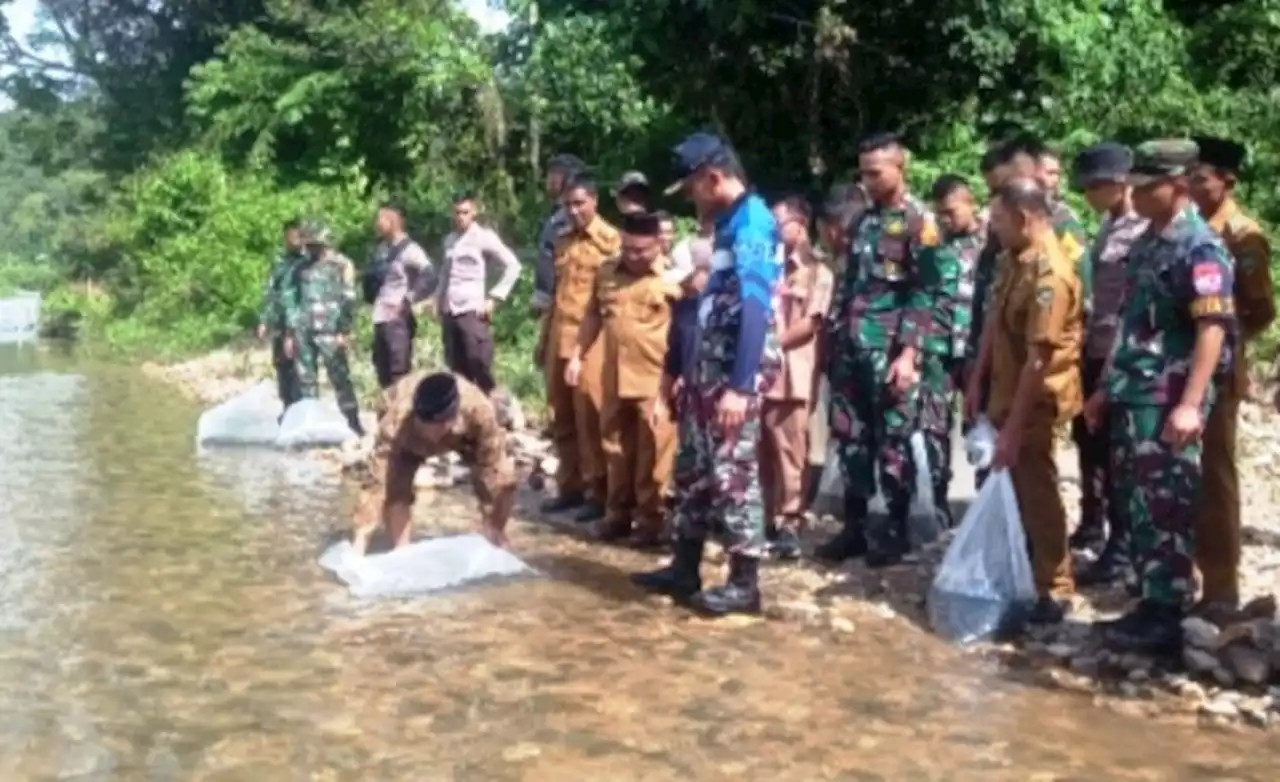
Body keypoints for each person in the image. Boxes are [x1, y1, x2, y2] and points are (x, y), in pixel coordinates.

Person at [1084, 139, 1236, 654]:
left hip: (1169, 395)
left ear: (1177, 185)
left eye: (1145, 188)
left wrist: (1192, 402)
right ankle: (1150, 600)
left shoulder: (1201, 247)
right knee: (1138, 499)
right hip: (1134, 390)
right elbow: (1129, 323)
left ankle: (1167, 610)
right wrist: (1106, 386)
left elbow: (1212, 327)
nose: (1135, 196)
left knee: (1168, 502)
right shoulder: (1147, 243)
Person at [631, 131, 782, 616]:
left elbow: (756, 310)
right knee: (694, 469)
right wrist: (685, 370)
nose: (691, 200)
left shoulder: (754, 223)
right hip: (707, 372)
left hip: (732, 377)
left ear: (713, 177)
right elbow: (712, 305)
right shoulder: (727, 224)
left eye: (693, 189)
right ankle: (684, 566)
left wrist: (740, 387)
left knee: (733, 472)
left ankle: (744, 583)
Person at [817, 132, 954, 567]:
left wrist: (909, 355)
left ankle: (895, 529)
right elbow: (849, 282)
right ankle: (855, 526)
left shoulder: (920, 224)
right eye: (863, 173)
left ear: (900, 168)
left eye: (876, 172)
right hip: (852, 347)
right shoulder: (862, 222)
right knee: (850, 435)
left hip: (891, 350)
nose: (869, 181)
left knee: (893, 438)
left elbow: (928, 293)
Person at [968, 177, 1084, 625]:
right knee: (1010, 490)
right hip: (1002, 391)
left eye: (998, 220)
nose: (992, 229)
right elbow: (995, 325)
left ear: (1023, 217)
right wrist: (976, 380)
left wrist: (1013, 430)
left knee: (1036, 490)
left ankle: (1054, 585)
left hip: (1034, 401)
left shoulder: (1050, 274)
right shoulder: (1013, 260)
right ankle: (1015, 573)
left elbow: (1040, 359)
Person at [1189, 135, 1275, 621]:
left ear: (1227, 181)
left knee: (1215, 479)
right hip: (1185, 371)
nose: (1194, 185)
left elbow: (1261, 309)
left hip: (1220, 375)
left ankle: (1221, 587)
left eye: (1202, 177)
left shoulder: (1243, 237)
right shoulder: (1190, 229)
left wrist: (1223, 336)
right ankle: (1188, 577)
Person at [567, 211, 678, 547]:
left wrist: (677, 379)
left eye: (641, 251)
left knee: (653, 455)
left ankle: (650, 521)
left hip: (654, 381)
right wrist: (576, 356)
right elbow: (591, 318)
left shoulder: (674, 281)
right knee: (615, 448)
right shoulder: (606, 273)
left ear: (658, 245)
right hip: (614, 376)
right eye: (628, 249)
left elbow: (687, 334)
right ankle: (617, 515)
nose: (633, 257)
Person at [1068, 142, 1147, 586]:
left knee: (1121, 457)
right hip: (1094, 352)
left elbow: (1130, 313)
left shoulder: (1138, 232)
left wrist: (1111, 376)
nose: (1086, 197)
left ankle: (1121, 550)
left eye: (1091, 188)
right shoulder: (1108, 224)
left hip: (1119, 360)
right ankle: (1096, 527)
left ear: (1115, 184)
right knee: (1092, 447)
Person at [351, 372, 516, 556]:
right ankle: (401, 550)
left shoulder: (479, 412)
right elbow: (377, 483)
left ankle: (495, 538)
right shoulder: (396, 420)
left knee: (499, 485)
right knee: (395, 489)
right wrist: (361, 540)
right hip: (408, 438)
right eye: (425, 427)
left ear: (452, 419)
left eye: (436, 428)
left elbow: (494, 469)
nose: (431, 435)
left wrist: (495, 523)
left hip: (464, 437)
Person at [538, 174, 619, 522]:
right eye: (567, 204)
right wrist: (544, 340)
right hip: (560, 333)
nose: (573, 210)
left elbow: (609, 301)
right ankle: (569, 486)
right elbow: (557, 296)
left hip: (591, 340)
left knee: (590, 416)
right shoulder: (563, 241)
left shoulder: (610, 241)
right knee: (561, 416)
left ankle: (598, 491)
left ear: (595, 201)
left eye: (579, 203)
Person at [764, 195, 833, 558]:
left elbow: (810, 323)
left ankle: (790, 521)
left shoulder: (818, 271)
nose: (774, 232)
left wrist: (770, 347)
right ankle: (760, 519)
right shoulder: (766, 265)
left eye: (780, 224)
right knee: (759, 451)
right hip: (760, 375)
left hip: (793, 373)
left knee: (791, 452)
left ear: (800, 223)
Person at [925, 174, 986, 527]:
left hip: (977, 352)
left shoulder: (992, 243)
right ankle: (937, 505)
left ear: (970, 202)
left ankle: (983, 505)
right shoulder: (935, 246)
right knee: (934, 427)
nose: (946, 220)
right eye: (940, 214)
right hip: (939, 349)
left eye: (951, 212)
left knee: (979, 426)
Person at [282, 220, 364, 436]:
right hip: (304, 330)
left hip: (331, 330)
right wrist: (290, 332)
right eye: (308, 244)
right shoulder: (299, 266)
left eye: (315, 244)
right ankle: (311, 425)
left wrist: (344, 330)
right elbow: (291, 299)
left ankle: (353, 424)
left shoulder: (341, 264)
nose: (310, 248)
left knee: (340, 379)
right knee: (305, 381)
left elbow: (349, 298)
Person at [435, 192, 522, 394]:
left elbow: (513, 266)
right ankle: (466, 414)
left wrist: (494, 298)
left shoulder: (484, 238)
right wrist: (437, 298)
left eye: (465, 212)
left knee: (479, 363)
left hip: (472, 309)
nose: (460, 217)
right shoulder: (449, 241)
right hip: (451, 309)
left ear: (474, 212)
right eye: (457, 212)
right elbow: (444, 273)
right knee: (456, 367)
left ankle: (499, 409)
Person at [367, 203, 435, 393]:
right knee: (383, 372)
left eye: (381, 219)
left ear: (394, 221)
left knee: (399, 373)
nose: (377, 224)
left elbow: (429, 274)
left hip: (397, 321)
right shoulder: (381, 250)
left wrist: (409, 299)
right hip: (380, 317)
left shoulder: (410, 250)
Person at [257, 218, 305, 416]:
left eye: (297, 235)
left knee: (298, 370)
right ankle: (287, 408)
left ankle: (299, 411)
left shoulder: (307, 264)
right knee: (281, 366)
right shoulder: (280, 263)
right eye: (290, 236)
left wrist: (292, 331)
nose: (293, 240)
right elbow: (271, 293)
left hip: (300, 326)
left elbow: (301, 299)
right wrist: (264, 320)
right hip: (280, 324)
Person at [531, 153, 587, 314]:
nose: (548, 181)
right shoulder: (556, 215)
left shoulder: (566, 218)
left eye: (552, 175)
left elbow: (551, 258)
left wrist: (542, 297)